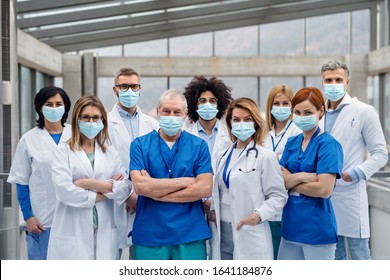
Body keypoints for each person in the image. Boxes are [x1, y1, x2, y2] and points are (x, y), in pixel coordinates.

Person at [129, 89, 213, 260]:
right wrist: (185, 182)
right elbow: (140, 186)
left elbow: (204, 188)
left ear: (185, 114)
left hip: (189, 235)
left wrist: (156, 191)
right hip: (150, 234)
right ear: (158, 112)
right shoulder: (139, 145)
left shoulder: (199, 146)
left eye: (177, 112)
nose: (171, 116)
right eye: (166, 111)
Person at [47, 95, 131, 260]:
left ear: (103, 121)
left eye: (96, 118)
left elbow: (124, 188)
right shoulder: (63, 151)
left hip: (105, 230)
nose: (91, 122)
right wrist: (105, 191)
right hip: (72, 230)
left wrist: (89, 183)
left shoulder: (109, 152)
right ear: (77, 119)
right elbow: (64, 191)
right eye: (86, 117)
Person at [320, 60, 388, 260]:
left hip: (350, 193)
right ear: (322, 83)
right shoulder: (318, 114)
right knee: (334, 255)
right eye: (329, 80)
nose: (333, 83)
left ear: (347, 82)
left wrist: (356, 173)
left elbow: (380, 152)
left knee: (359, 254)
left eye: (338, 79)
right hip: (323, 195)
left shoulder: (363, 111)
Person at [209, 97, 288, 260]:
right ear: (230, 123)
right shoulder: (222, 155)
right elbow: (218, 189)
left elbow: (279, 196)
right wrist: (212, 211)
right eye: (236, 119)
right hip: (222, 230)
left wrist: (258, 215)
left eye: (247, 119)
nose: (241, 124)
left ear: (255, 123)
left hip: (250, 229)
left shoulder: (265, 156)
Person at [277, 87, 343, 260]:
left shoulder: (328, 144)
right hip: (290, 229)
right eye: (297, 112)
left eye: (308, 112)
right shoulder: (292, 143)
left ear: (321, 111)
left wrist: (291, 179)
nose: (302, 116)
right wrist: (304, 176)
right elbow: (278, 182)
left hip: (317, 231)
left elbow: (324, 189)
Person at [7, 86, 72, 260]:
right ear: (40, 108)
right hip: (42, 221)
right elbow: (21, 181)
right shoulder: (29, 139)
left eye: (58, 103)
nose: (54, 108)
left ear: (65, 107)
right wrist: (28, 216)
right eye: (48, 104)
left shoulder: (76, 135)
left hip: (74, 218)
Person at [108, 67, 158, 258]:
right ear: (115, 90)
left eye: (134, 86)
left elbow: (156, 163)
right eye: (124, 86)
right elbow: (104, 165)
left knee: (141, 260)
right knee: (111, 256)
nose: (129, 91)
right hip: (116, 201)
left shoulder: (153, 124)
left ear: (140, 89)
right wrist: (127, 194)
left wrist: (142, 192)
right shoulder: (104, 123)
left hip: (145, 200)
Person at [183, 75, 233, 214]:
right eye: (202, 101)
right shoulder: (185, 136)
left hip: (223, 204)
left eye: (212, 101)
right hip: (193, 204)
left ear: (219, 104)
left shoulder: (230, 136)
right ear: (195, 104)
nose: (207, 105)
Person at [263, 84, 301, 259]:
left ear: (292, 106)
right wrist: (277, 160)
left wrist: (271, 162)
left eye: (285, 103)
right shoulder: (263, 133)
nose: (281, 107)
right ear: (270, 106)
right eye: (277, 103)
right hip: (265, 205)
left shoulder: (298, 132)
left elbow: (295, 166)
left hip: (290, 206)